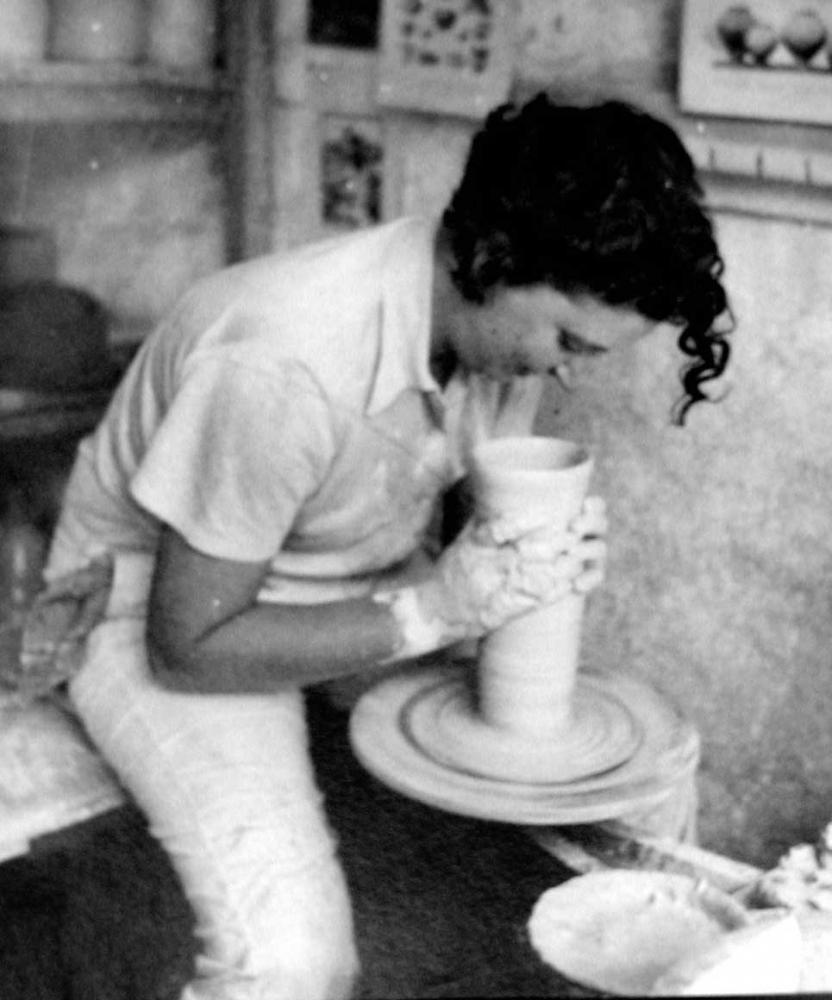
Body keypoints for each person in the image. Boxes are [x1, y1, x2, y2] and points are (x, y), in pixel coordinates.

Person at [14, 94, 731, 1000]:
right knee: (293, 962)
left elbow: (468, 523)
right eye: (568, 341)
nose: (564, 371)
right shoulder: (285, 358)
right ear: (491, 257)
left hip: (342, 576)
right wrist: (439, 607)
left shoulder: (492, 331)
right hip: (156, 606)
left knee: (647, 796)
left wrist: (535, 560)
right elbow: (186, 644)